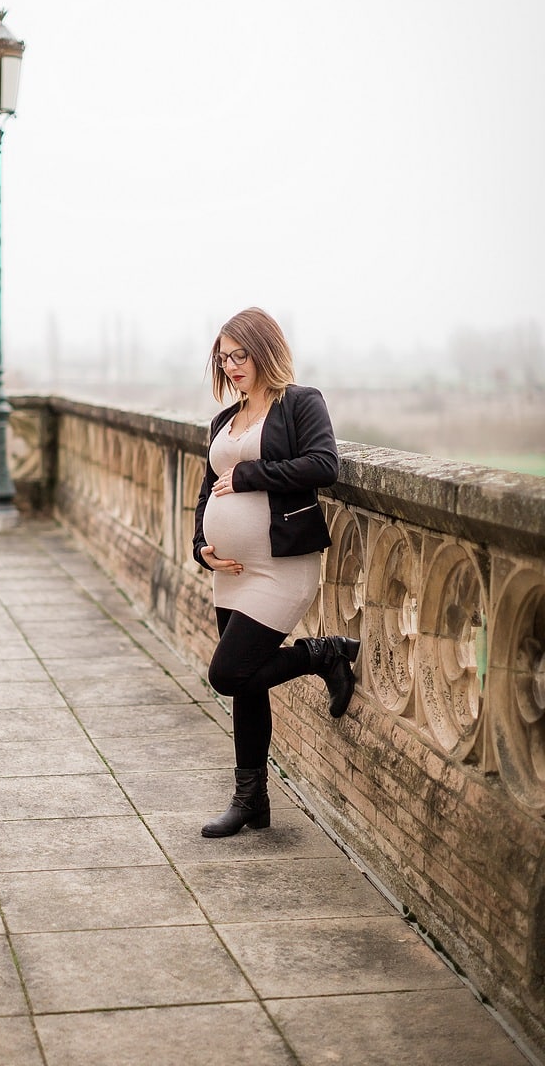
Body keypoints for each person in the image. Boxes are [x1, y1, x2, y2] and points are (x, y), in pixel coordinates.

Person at [193, 307, 359, 838]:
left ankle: (323, 653)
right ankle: (252, 801)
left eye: (240, 354)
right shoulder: (225, 419)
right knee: (247, 687)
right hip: (233, 571)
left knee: (229, 674)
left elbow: (323, 465)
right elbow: (207, 490)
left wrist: (249, 474)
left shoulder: (300, 403)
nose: (232, 365)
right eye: (223, 357)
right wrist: (202, 546)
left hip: (281, 565)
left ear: (264, 349)